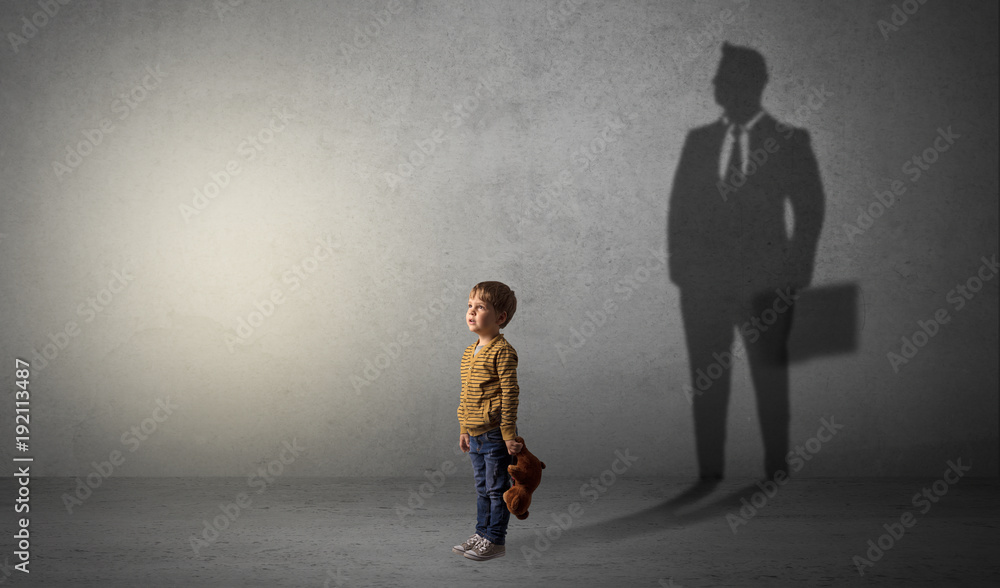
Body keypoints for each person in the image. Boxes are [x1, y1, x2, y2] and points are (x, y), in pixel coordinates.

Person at [668, 43, 825, 481]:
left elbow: (810, 210)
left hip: (767, 285)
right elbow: (680, 210)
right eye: (718, 79)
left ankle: (777, 467)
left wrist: (794, 273)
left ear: (754, 84)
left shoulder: (791, 141)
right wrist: (682, 273)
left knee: (770, 376)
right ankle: (709, 473)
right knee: (707, 379)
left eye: (726, 78)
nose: (717, 86)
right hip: (702, 289)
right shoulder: (699, 141)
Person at [453, 281, 523, 561]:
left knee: (497, 490)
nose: (471, 312)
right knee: (482, 488)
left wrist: (508, 434)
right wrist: (463, 428)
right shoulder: (469, 352)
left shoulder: (503, 351)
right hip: (476, 434)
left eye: (480, 307)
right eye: (470, 305)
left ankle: (496, 540)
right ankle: (481, 533)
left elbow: (510, 394)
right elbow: (465, 393)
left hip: (495, 435)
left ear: (500, 317)